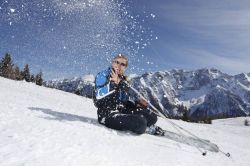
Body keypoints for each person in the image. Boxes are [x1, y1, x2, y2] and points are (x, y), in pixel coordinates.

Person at [93, 54, 164, 135]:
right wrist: (113, 85)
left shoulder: (124, 80)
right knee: (141, 122)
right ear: (112, 63)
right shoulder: (103, 75)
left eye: (122, 64)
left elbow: (123, 100)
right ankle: (146, 128)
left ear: (125, 67)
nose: (119, 66)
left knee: (152, 116)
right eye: (117, 62)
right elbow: (97, 97)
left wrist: (136, 104)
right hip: (107, 114)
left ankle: (142, 124)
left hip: (121, 110)